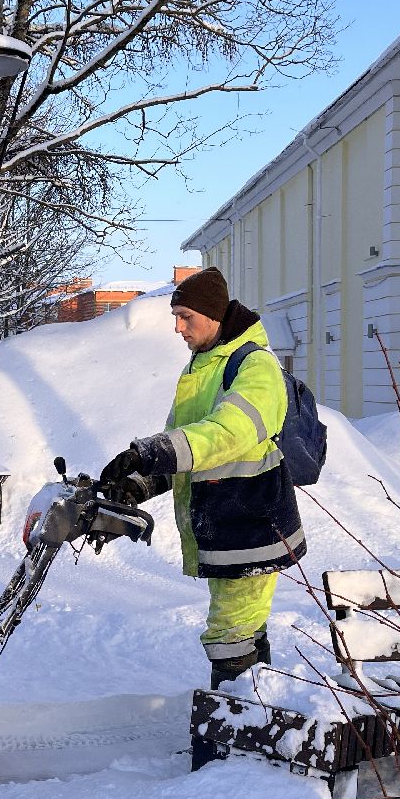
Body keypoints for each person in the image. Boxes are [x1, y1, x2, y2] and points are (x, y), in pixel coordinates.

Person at [100, 265, 307, 690]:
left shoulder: (255, 367)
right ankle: (254, 720)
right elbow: (188, 451)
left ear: (213, 316)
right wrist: (137, 481)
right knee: (240, 630)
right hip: (224, 527)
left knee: (229, 634)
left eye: (185, 317)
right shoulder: (203, 368)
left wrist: (149, 450)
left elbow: (228, 435)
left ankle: (232, 734)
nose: (177, 328)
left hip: (251, 525)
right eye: (175, 316)